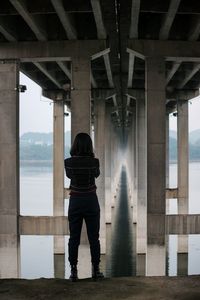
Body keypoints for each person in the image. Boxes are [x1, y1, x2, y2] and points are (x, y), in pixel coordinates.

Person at [64, 132, 104, 281]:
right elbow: (97, 175)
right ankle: (96, 270)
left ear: (75, 145)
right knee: (94, 238)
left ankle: (73, 272)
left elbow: (69, 176)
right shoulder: (94, 162)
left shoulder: (68, 162)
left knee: (74, 238)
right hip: (91, 201)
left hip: (75, 201)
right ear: (89, 146)